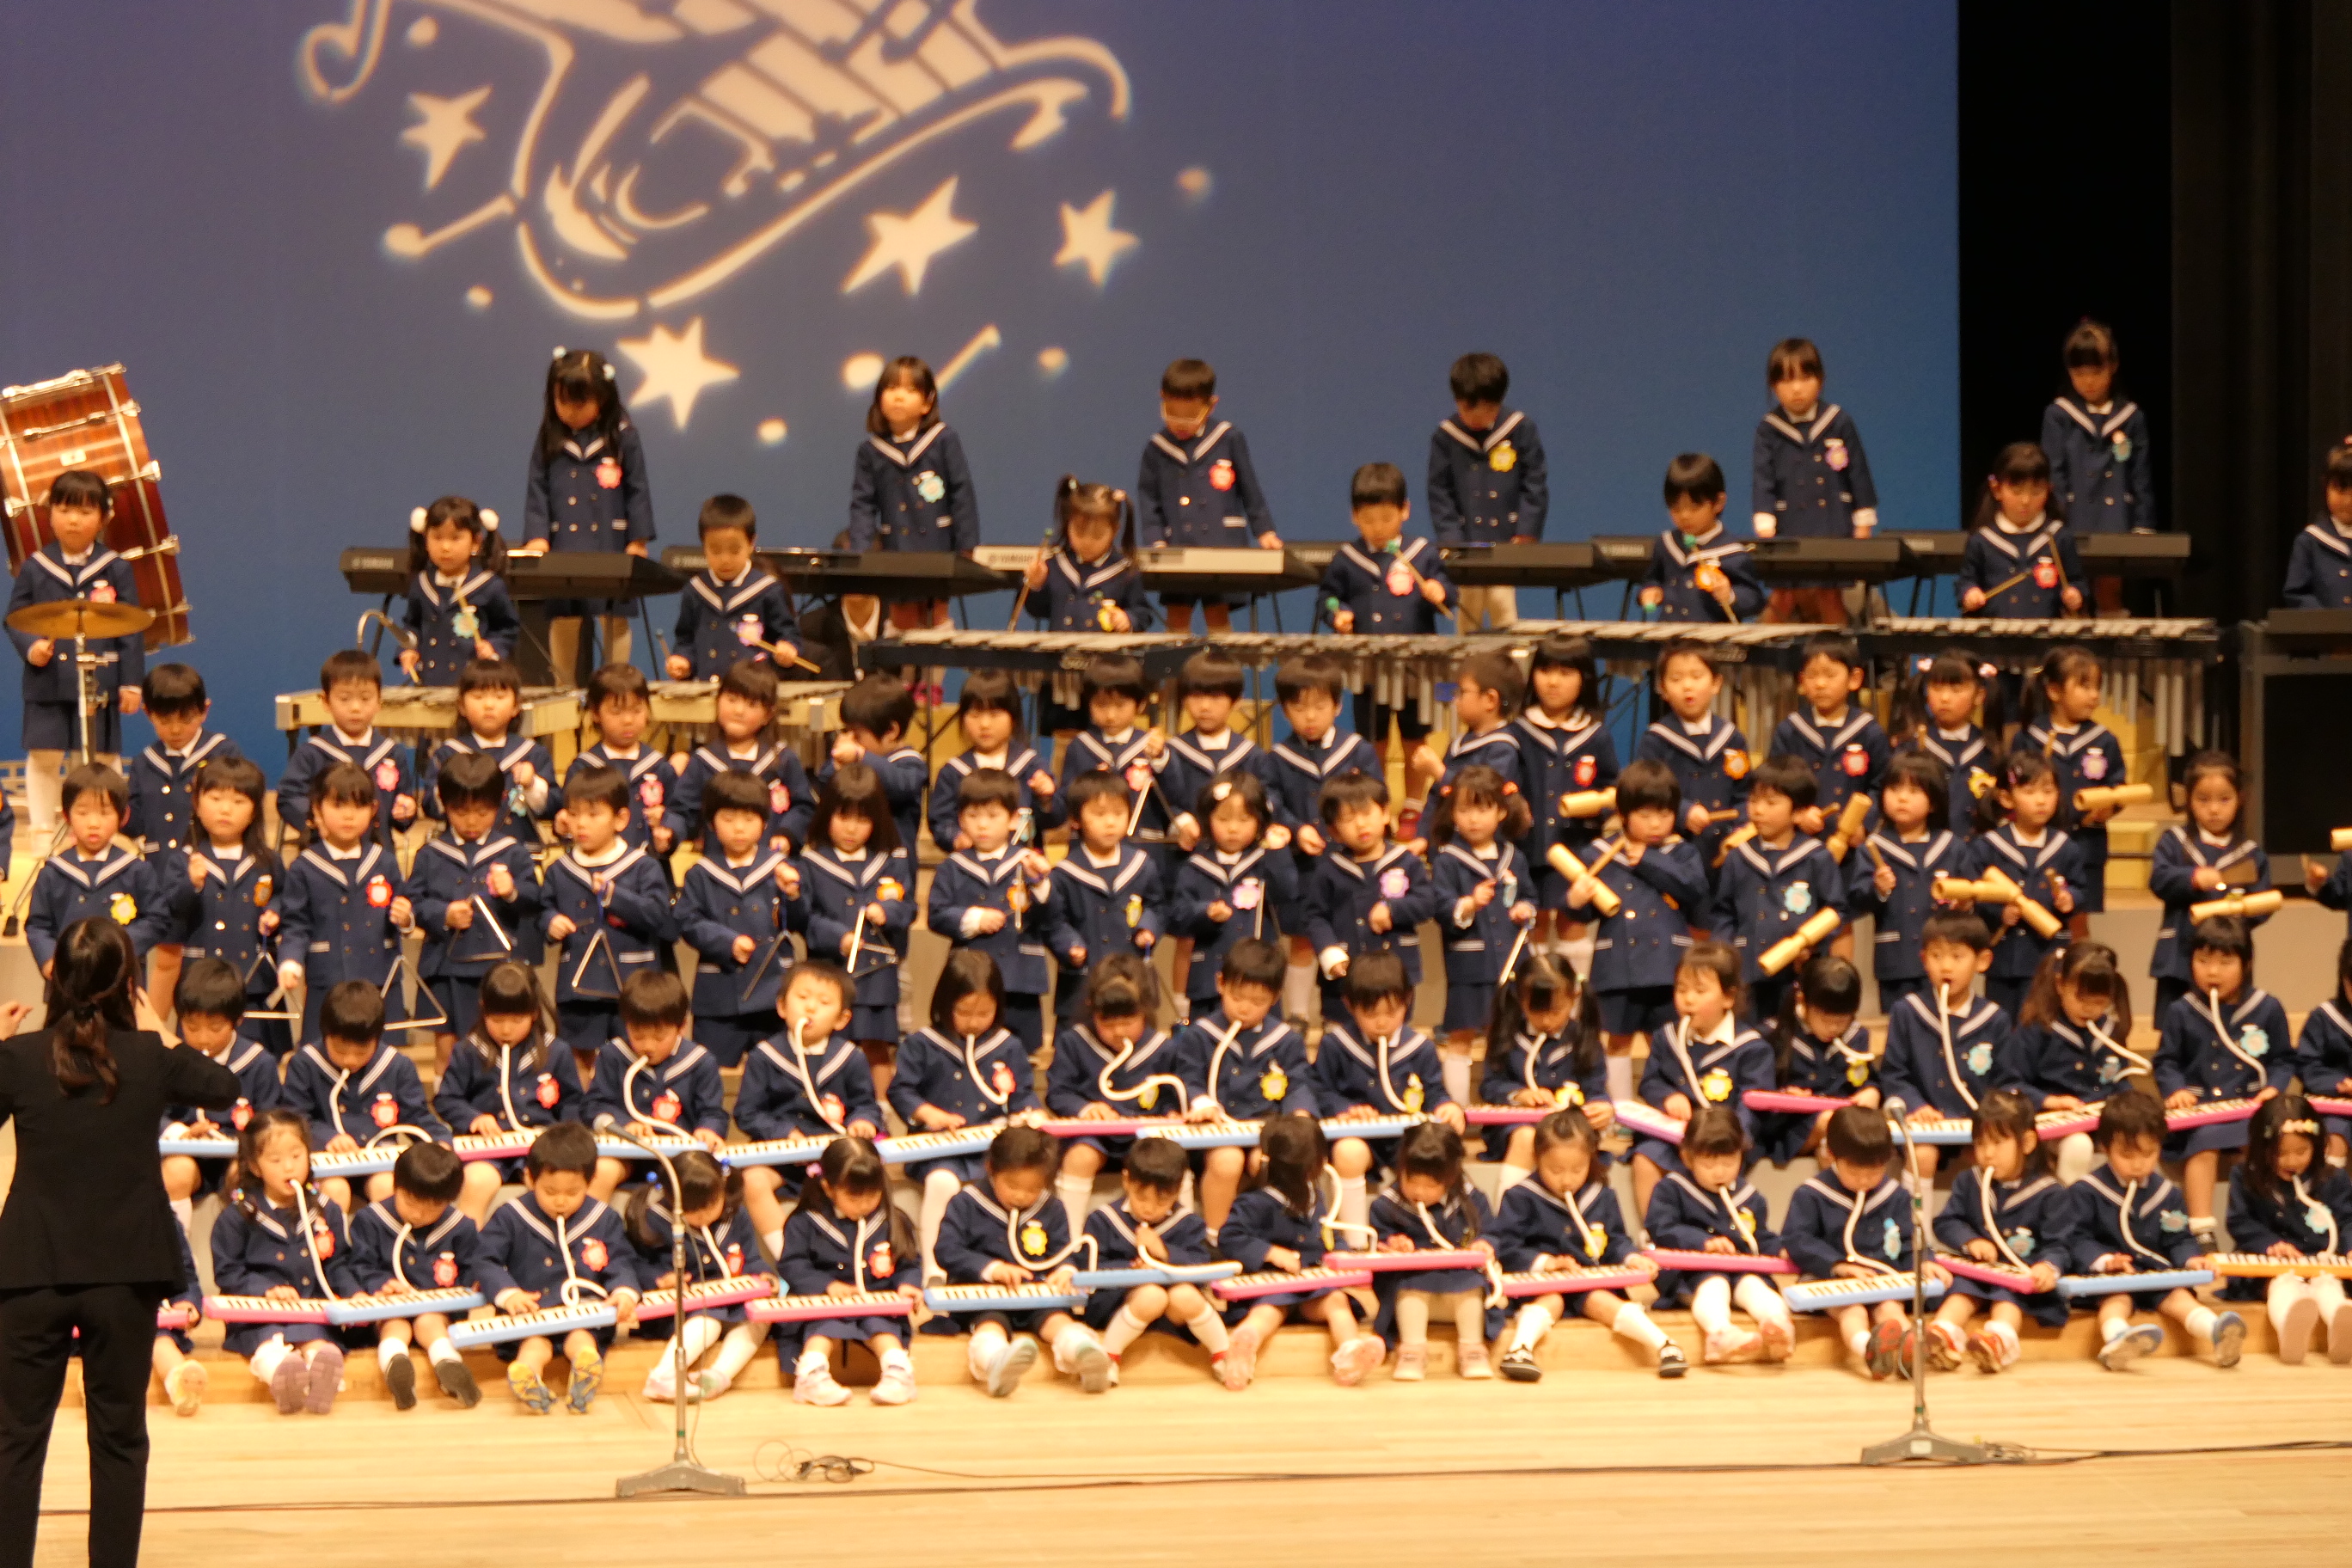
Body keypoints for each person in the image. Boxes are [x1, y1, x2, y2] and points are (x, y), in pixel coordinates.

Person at [0, 916, 240, 1565]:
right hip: (126, 1271)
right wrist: (160, 1030)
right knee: (119, 1439)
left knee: (15, 1440)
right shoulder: (148, 1056)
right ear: (128, 982)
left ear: (56, 978)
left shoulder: (19, 1057)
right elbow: (223, 1087)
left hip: (30, 1268)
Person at [1491, 1110, 1679, 1381]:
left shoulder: (1602, 1196)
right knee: (1552, 1300)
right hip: (1542, 1285)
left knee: (1600, 1299)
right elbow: (1507, 1247)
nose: (1567, 1179)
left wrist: (1631, 1258)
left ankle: (1664, 1345)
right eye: (1555, 1170)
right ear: (1537, 1159)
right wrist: (1546, 1263)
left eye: (1577, 1170)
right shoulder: (1521, 1197)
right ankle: (1519, 1349)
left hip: (1589, 1282)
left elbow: (1616, 1240)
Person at [1316, 462, 1455, 825]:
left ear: (1405, 511)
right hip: (1369, 668)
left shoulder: (1422, 552)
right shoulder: (1347, 558)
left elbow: (1448, 590)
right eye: (1368, 520)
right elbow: (1327, 598)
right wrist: (1338, 614)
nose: (1378, 528)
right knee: (1373, 741)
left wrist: (1439, 590)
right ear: (1354, 517)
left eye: (1386, 518)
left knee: (1414, 740)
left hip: (1415, 667)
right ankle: (1378, 803)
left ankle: (1413, 805)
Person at [8, 469, 144, 836]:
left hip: (100, 681)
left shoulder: (115, 567)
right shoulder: (35, 566)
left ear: (104, 517)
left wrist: (131, 682)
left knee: (101, 758)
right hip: (47, 681)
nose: (73, 520)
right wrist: (31, 647)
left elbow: (130, 627)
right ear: (50, 513)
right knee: (44, 755)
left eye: (85, 512)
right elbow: (15, 618)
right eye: (65, 509)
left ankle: (104, 831)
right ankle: (42, 832)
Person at [888, 951, 1041, 1279]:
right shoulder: (922, 1043)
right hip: (937, 1148)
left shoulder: (1008, 1046)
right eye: (964, 1012)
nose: (974, 1021)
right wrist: (928, 1113)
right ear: (945, 1004)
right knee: (942, 1181)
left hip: (990, 1149)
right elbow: (901, 1091)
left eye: (984, 1013)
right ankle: (934, 1267)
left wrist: (1030, 1115)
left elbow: (1023, 1094)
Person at [2065, 1091, 2243, 1370]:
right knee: (2116, 1300)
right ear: (2105, 1147)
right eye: (2127, 1155)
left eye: (2148, 1154)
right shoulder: (2086, 1191)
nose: (2138, 1164)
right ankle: (2117, 1339)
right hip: (2111, 1278)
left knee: (2179, 1297)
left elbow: (2178, 1238)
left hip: (2155, 1274)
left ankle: (2215, 1331)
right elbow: (2076, 1238)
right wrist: (2105, 1261)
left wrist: (2191, 1259)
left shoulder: (2168, 1193)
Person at [1568, 757, 1709, 1112]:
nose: (1656, 824)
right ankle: (1619, 1110)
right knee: (1617, 1041)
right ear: (1624, 814)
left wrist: (1647, 859)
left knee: (1670, 1040)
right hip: (1618, 965)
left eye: (1664, 814)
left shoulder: (1682, 852)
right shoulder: (1598, 853)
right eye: (1645, 815)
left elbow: (1694, 889)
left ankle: (1669, 1107)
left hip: (1668, 965)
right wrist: (1576, 900)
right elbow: (1583, 913)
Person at [476, 1122, 645, 1412]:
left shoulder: (603, 1218)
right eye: (550, 1191)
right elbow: (483, 1260)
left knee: (582, 1339)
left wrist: (623, 1291)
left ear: (590, 1182)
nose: (560, 1201)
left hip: (583, 1311)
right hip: (531, 1312)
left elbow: (621, 1260)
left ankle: (585, 1371)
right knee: (534, 1345)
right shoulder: (511, 1216)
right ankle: (528, 1376)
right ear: (530, 1179)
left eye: (572, 1192)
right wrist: (508, 1294)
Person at [934, 1125, 1112, 1397]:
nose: (1021, 1196)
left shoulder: (1052, 1207)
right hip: (984, 1297)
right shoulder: (966, 1203)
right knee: (990, 1325)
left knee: (1057, 1321)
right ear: (991, 1169)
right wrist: (992, 1269)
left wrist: (1065, 1269)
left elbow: (1065, 1250)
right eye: (1012, 1186)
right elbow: (946, 1250)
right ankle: (995, 1362)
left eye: (1033, 1189)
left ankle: (1084, 1355)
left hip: (1036, 1296)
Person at [1216, 1113, 1386, 1388]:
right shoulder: (1255, 1201)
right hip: (1269, 1288)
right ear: (1313, 1165)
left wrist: (1342, 1255)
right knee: (1268, 1310)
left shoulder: (1315, 1195)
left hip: (1311, 1287)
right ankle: (1242, 1350)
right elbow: (1230, 1238)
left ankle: (1351, 1353)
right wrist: (1270, 1252)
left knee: (1337, 1302)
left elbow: (1327, 1233)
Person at [210, 1107, 358, 1413]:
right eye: (275, 1160)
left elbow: (338, 1264)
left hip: (310, 1307)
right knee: (269, 1344)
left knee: (319, 1344)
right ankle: (282, 1376)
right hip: (258, 1312)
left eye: (297, 1156)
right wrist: (265, 1289)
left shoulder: (326, 1209)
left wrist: (354, 1294)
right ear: (255, 1167)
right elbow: (228, 1272)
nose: (289, 1167)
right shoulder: (239, 1215)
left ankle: (322, 1380)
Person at [518, 346, 653, 681]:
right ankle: (562, 686)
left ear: (603, 398)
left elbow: (637, 488)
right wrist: (537, 536)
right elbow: (537, 487)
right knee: (565, 617)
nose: (570, 412)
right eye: (562, 402)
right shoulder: (549, 436)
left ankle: (615, 681)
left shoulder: (623, 435)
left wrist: (637, 540)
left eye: (580, 404)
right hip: (564, 542)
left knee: (613, 617)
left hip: (609, 541)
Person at [1784, 1107, 1945, 1379]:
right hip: (1831, 1280)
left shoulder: (1895, 1196)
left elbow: (1910, 1240)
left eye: (1874, 1171)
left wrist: (1925, 1261)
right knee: (1852, 1311)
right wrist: (1838, 1265)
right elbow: (1797, 1239)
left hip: (1882, 1280)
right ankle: (1868, 1349)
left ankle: (1909, 1352)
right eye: (1855, 1171)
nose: (1864, 1180)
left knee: (1890, 1308)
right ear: (1831, 1155)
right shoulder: (1811, 1194)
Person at [407, 750, 544, 1069]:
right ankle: (446, 1101)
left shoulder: (512, 852)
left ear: (499, 804)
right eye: (461, 811)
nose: (471, 821)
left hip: (498, 968)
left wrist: (511, 892)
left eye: (482, 812)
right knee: (447, 1051)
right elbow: (413, 902)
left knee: (495, 1052)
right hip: (445, 967)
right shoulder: (430, 853)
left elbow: (534, 899)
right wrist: (443, 914)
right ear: (444, 804)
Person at [2156, 916, 2292, 1236]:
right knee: (2204, 1143)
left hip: (2250, 1109)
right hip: (2199, 1113)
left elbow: (2283, 1059)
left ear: (2246, 963)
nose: (2212, 972)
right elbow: (2166, 1061)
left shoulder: (2267, 1008)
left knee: (2260, 1146)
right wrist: (2176, 1090)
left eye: (2225, 962)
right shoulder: (2181, 1010)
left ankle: (2263, 1228)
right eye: (2203, 961)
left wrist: (2273, 1088)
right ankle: (2201, 1230)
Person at [1314, 952, 1466, 1236]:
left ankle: (1430, 1235)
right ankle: (1356, 1240)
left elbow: (1434, 1091)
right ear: (1349, 1005)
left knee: (1435, 1153)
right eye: (1371, 1014)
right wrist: (1345, 1109)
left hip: (1406, 1141)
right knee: (1348, 1153)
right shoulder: (1336, 1045)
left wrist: (1448, 1106)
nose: (1382, 1023)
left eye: (1392, 1012)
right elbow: (1319, 1090)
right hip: (1360, 1140)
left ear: (1407, 1001)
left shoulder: (1420, 1048)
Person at [736, 963, 884, 1252]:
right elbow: (747, 1113)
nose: (811, 1008)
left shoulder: (850, 1057)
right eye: (802, 998)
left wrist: (863, 1121)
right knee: (753, 1180)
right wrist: (783, 1132)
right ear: (782, 1007)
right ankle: (786, 1256)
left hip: (834, 1159)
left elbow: (866, 1104)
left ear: (842, 1019)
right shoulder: (764, 1056)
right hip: (780, 1160)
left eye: (824, 1002)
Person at [1264, 653, 1377, 1023]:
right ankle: (1297, 1016)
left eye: (1319, 707)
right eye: (1298, 708)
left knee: (1349, 937)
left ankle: (1348, 1014)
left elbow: (1375, 799)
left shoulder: (1357, 751)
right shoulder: (1278, 758)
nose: (1309, 717)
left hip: (1351, 861)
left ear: (1338, 706)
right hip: (1304, 866)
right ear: (1284, 711)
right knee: (1303, 939)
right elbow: (1270, 802)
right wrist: (1298, 829)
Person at [1173, 938, 1316, 1232]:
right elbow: (1188, 1077)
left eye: (1257, 1002)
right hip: (1215, 1135)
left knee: (1269, 1161)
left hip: (1266, 1131)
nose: (1245, 1009)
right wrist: (1201, 1102)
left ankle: (1270, 1235)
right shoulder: (1200, 1035)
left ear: (1275, 998)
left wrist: (1299, 1113)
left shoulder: (1286, 1040)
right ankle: (1216, 1238)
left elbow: (1299, 1082)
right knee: (1227, 1161)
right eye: (1237, 997)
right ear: (1220, 984)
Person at [788, 764, 915, 1086]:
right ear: (827, 815)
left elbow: (908, 907)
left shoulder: (891, 859)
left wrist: (888, 912)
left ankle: (881, 1107)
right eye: (843, 817)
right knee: (829, 1044)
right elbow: (804, 919)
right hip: (830, 970)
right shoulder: (812, 861)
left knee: (876, 1046)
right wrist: (838, 938)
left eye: (863, 819)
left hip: (877, 974)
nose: (851, 828)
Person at [1133, 357, 1277, 635]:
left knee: (1217, 612)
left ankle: (1221, 665)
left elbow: (1250, 489)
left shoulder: (1228, 438)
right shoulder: (1156, 449)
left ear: (1211, 405)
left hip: (1221, 542)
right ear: (1161, 398)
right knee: (1177, 614)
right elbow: (1148, 500)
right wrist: (1155, 539)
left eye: (1190, 415)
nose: (1180, 423)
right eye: (1172, 413)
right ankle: (1174, 665)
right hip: (1177, 545)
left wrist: (1265, 531)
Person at [1928, 1089, 2069, 1375]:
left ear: (2026, 1142)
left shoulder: (2050, 1192)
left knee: (2009, 1297)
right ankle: (1943, 1334)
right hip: (1979, 1272)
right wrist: (1970, 1241)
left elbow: (2061, 1243)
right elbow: (1946, 1222)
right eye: (1981, 1143)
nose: (1987, 1153)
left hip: (2020, 1277)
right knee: (1962, 1290)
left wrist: (2047, 1266)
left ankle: (1999, 1340)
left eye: (1997, 1142)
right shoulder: (1969, 1181)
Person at [1626, 943, 1770, 1220]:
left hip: (1724, 1142)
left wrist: (1734, 1138)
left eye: (1700, 991)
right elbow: (1650, 1081)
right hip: (1676, 1138)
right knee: (1645, 1158)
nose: (1688, 1000)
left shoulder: (1750, 1047)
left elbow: (1753, 1103)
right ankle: (1653, 1233)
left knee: (1712, 1167)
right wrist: (1668, 1097)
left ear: (1728, 997)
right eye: (1681, 990)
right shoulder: (1666, 1037)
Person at [432, 960, 584, 1223]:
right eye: (497, 1020)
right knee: (477, 1181)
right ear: (483, 1010)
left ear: (534, 1014)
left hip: (541, 1150)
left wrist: (563, 1137)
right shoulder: (468, 1050)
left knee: (552, 1186)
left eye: (516, 1020)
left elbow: (573, 1103)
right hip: (488, 1150)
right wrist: (473, 1118)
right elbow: (446, 1098)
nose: (506, 1030)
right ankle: (466, 1246)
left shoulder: (556, 1051)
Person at [1642, 1105, 1794, 1364]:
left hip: (1740, 1271)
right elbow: (1662, 1229)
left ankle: (1777, 1326)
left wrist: (1780, 1248)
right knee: (1715, 1285)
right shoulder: (1672, 1189)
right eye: (1709, 1164)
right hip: (1691, 1275)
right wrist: (1703, 1242)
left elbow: (1757, 1237)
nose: (1720, 1172)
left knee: (1757, 1288)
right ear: (1688, 1158)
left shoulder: (1750, 1197)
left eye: (1729, 1162)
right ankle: (1719, 1334)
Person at [273, 762, 413, 1041]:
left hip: (380, 977)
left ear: (373, 810)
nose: (349, 815)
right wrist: (290, 961)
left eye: (359, 806)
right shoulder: (304, 867)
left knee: (382, 1054)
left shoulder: (384, 861)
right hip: (328, 979)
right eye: (338, 806)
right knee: (324, 1051)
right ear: (317, 810)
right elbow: (295, 924)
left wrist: (406, 918)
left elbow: (404, 909)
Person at [541, 764, 676, 1056]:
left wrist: (615, 896)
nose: (581, 824)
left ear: (621, 819)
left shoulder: (643, 866)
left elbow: (658, 916)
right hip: (578, 984)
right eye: (573, 814)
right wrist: (550, 922)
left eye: (593, 815)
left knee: (634, 1054)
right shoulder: (559, 870)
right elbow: (543, 910)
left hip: (633, 984)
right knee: (579, 1056)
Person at [777, 1137, 922, 1406]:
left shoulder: (894, 1220)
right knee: (823, 1327)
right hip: (824, 1302)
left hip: (875, 1301)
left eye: (873, 1194)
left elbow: (910, 1262)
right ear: (828, 1188)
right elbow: (792, 1264)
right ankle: (811, 1376)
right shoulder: (804, 1222)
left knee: (882, 1326)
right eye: (855, 1197)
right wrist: (827, 1285)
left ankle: (898, 1373)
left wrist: (908, 1284)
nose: (865, 1204)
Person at [156, 756, 286, 1056]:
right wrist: (192, 884)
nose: (225, 809)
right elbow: (169, 913)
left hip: (254, 983)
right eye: (215, 799)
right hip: (200, 985)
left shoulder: (267, 861)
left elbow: (284, 898)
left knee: (256, 1060)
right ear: (197, 804)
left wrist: (276, 912)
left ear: (254, 810)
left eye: (238, 802)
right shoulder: (183, 860)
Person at [1080, 1137, 1234, 1387]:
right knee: (1152, 1295)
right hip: (1117, 1305)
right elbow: (1089, 1267)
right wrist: (1132, 1270)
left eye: (1162, 1201)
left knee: (1185, 1295)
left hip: (1174, 1313)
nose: (1150, 1209)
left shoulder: (1188, 1223)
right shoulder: (1103, 1220)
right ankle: (1108, 1358)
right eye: (1142, 1197)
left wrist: (1164, 1252)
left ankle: (1224, 1355)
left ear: (1177, 1190)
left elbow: (1201, 1264)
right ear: (1126, 1180)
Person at [279, 980, 446, 1210]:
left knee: (386, 1186)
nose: (350, 1060)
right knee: (335, 1190)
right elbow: (293, 1118)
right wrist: (328, 1138)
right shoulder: (305, 1063)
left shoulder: (397, 1066)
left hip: (379, 1161)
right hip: (325, 1164)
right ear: (325, 1034)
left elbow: (417, 1117)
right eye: (340, 1050)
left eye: (361, 1052)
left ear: (377, 1039)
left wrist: (440, 1142)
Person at [622, 1149, 774, 1402]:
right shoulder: (654, 1219)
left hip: (732, 1301)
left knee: (760, 1315)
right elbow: (637, 1265)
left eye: (710, 1206)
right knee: (709, 1319)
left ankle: (718, 1376)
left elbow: (752, 1258)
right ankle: (663, 1377)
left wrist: (764, 1276)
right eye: (692, 1210)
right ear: (671, 1198)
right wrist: (661, 1279)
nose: (703, 1215)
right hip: (681, 1311)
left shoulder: (736, 1214)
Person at [1044, 955, 1182, 1230]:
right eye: (1107, 1023)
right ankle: (1068, 1238)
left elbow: (1172, 1095)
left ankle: (1179, 1235)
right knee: (1080, 1158)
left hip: (1146, 1137)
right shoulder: (1074, 1042)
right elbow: (1058, 1092)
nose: (1118, 1032)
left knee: (1172, 1158)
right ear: (1092, 1009)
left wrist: (1172, 1113)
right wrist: (1085, 1108)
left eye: (1128, 1021)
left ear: (1145, 1009)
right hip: (1093, 1136)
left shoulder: (1163, 1048)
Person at [848, 354, 977, 647]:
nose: (899, 396)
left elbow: (961, 493)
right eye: (891, 388)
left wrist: (967, 546)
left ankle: (935, 673)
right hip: (897, 548)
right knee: (902, 616)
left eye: (910, 390)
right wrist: (860, 553)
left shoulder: (943, 440)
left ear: (927, 403)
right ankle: (905, 674)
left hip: (937, 545)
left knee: (937, 617)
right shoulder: (871, 451)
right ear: (879, 399)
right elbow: (863, 504)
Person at [926, 771, 1055, 1061]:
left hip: (1020, 974)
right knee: (970, 1049)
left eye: (993, 816)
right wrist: (973, 918)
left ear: (1013, 819)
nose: (982, 825)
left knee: (1022, 1054)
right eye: (973, 816)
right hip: (971, 977)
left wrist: (1041, 883)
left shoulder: (1028, 862)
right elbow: (936, 914)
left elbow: (1050, 916)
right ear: (960, 820)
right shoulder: (953, 866)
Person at [346, 1141, 483, 1409]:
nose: (419, 1214)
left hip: (437, 1309)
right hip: (390, 1306)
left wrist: (471, 1285)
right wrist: (382, 1285)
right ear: (396, 1187)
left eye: (433, 1207)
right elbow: (360, 1265)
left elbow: (472, 1268)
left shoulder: (461, 1227)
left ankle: (448, 1364)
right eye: (411, 1202)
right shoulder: (371, 1220)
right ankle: (396, 1366)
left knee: (429, 1323)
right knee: (394, 1324)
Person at [1428, 763, 1535, 1102]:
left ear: (1501, 812)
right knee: (1460, 1035)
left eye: (1483, 809)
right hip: (1469, 965)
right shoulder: (1448, 860)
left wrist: (1525, 909)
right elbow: (1441, 907)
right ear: (1452, 814)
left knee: (1504, 1034)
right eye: (1464, 810)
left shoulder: (1514, 857)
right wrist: (1469, 904)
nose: (1473, 819)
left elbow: (1530, 896)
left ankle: (1501, 1101)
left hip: (1512, 961)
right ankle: (1456, 1110)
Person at [676, 769, 797, 1069]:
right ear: (712, 823)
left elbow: (800, 922)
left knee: (778, 1074)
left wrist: (794, 894)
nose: (738, 828)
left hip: (773, 991)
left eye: (749, 819)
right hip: (719, 995)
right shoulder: (700, 873)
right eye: (728, 819)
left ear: (765, 823)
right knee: (710, 1074)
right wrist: (727, 943)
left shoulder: (780, 869)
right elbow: (687, 922)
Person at [1750, 339, 1877, 623]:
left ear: (1820, 379)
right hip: (1788, 526)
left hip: (1832, 523)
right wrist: (1764, 520)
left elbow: (1858, 473)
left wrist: (1863, 521)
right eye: (1786, 380)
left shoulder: (1838, 421)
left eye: (1805, 378)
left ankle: (1840, 650)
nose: (1796, 388)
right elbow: (1763, 478)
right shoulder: (1769, 429)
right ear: (1773, 385)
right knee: (1783, 595)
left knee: (1829, 594)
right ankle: (1761, 652)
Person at [1712, 754, 1845, 1024]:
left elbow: (1835, 910)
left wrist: (1812, 948)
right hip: (1748, 971)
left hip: (1798, 972)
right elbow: (1724, 913)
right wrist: (1725, 955)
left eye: (1771, 803)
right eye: (1753, 800)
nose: (1758, 810)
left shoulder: (1816, 857)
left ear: (1798, 811)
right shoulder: (1739, 857)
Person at [1016, 478, 1153, 732]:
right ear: (1067, 524)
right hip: (1061, 667)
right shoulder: (1055, 564)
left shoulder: (1125, 571)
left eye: (1097, 535)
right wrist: (1035, 585)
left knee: (1104, 733)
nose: (1087, 541)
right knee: (1064, 735)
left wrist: (1128, 619)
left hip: (1106, 671)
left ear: (1115, 530)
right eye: (1079, 532)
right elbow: (1037, 610)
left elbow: (1143, 613)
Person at [1878, 910, 2006, 1180]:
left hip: (1975, 1125)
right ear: (1924, 960)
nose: (1946, 967)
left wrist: (1986, 1116)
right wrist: (1916, 1106)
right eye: (1936, 956)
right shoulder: (1908, 1011)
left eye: (1957, 957)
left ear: (1982, 961)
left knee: (1992, 1156)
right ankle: (1916, 1211)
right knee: (1923, 1155)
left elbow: (2005, 1081)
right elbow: (1894, 1074)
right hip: (1924, 1124)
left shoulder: (1995, 1019)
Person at [1304, 772, 1440, 1025]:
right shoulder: (1328, 869)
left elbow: (1427, 902)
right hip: (1345, 974)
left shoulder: (1406, 861)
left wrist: (1393, 910)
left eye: (1367, 813)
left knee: (1394, 1033)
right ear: (1334, 831)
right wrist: (1329, 951)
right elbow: (1315, 916)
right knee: (1342, 1036)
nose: (1360, 825)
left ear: (1385, 813)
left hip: (1396, 972)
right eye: (1348, 818)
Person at [156, 959, 283, 1230]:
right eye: (191, 1027)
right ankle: (179, 1252)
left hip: (238, 1157)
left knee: (244, 1176)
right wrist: (180, 1132)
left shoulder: (259, 1062)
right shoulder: (168, 1061)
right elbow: (151, 1113)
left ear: (237, 1020)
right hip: (187, 1156)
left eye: (215, 1028)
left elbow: (270, 1123)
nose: (203, 1038)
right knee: (176, 1172)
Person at [2224, 1095, 2352, 1363]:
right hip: (2271, 1262)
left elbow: (2348, 1219)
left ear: (2316, 1145)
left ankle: (2341, 1323)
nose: (2291, 1161)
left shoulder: (2333, 1178)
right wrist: (2270, 1244)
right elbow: (2239, 1221)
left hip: (2322, 1260)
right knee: (2282, 1284)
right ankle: (2288, 1329)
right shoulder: (2245, 1176)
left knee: (2327, 1283)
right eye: (2279, 1154)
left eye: (2301, 1152)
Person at [1368, 1123, 1499, 1381]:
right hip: (1411, 1295)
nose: (1419, 1192)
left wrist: (1485, 1244)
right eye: (1412, 1181)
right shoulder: (1387, 1206)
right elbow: (1377, 1245)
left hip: (1459, 1293)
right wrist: (1392, 1245)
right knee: (1408, 1287)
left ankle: (1473, 1350)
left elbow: (1492, 1232)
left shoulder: (1471, 1201)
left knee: (1473, 1283)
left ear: (1451, 1178)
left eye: (1430, 1185)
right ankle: (1412, 1351)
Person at [581, 971, 727, 1200]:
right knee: (602, 1171)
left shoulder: (701, 1062)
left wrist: (708, 1130)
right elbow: (594, 1106)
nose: (648, 1046)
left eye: (659, 1038)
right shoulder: (613, 1055)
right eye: (638, 1036)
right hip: (626, 1155)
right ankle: (594, 1223)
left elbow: (713, 1112)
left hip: (681, 1158)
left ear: (681, 1027)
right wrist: (624, 1125)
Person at [1428, 351, 1547, 629]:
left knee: (1503, 607)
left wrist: (1526, 531)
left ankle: (1509, 657)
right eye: (1467, 409)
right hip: (1465, 541)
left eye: (1485, 411)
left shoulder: (1520, 429)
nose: (1475, 418)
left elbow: (1535, 483)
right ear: (1457, 401)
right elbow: (1439, 491)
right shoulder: (1446, 436)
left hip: (1506, 540)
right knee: (1468, 609)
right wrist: (1451, 538)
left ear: (1498, 402)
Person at [1168, 774, 1296, 1032]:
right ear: (1208, 819)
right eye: (1223, 819)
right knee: (1207, 1039)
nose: (1233, 829)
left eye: (1244, 820)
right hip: (1209, 978)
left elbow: (1287, 892)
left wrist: (1278, 852)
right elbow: (1177, 916)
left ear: (1259, 821)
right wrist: (1205, 912)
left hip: (1258, 976)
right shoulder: (1195, 866)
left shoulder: (1264, 860)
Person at [2002, 940, 2137, 1184]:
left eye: (2099, 1002)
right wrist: (2051, 1101)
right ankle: (2068, 1204)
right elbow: (2009, 1083)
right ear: (2060, 985)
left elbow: (2120, 1080)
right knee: (2079, 1145)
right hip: (2053, 1126)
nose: (2089, 1009)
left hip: (2103, 1122)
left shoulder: (2111, 1031)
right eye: (2081, 999)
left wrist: (2130, 1103)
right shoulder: (2038, 1028)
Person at [2042, 319, 2153, 614]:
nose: (2088, 381)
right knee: (2072, 598)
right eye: (2080, 373)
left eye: (2096, 372)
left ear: (2113, 366)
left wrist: (2143, 525)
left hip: (2115, 520)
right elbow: (2054, 474)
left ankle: (2113, 645)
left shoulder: (2131, 417)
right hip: (2072, 518)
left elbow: (2140, 477)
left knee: (2109, 593)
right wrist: (2055, 521)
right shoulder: (2059, 415)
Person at [2148, 750, 2268, 1019]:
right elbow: (2158, 880)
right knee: (2175, 1024)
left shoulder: (2249, 854)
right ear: (2189, 800)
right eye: (2203, 799)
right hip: (2180, 953)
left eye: (2224, 799)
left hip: (2229, 954)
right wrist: (2192, 878)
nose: (2214, 809)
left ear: (2240, 799)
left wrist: (2238, 908)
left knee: (2227, 1021)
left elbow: (2262, 903)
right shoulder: (2175, 842)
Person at [1044, 773, 1165, 1036]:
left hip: (1133, 978)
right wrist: (1070, 945)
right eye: (1099, 815)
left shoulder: (1142, 865)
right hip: (1082, 982)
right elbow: (1054, 921)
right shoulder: (1064, 873)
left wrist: (1148, 927)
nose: (1110, 822)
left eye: (1118, 813)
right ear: (1076, 820)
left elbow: (1157, 906)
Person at [2016, 644, 2126, 928]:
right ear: (2054, 691)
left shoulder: (2104, 740)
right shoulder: (2029, 737)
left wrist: (2109, 807)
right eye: (2084, 686)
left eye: (2097, 687)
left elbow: (2118, 787)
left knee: (2079, 924)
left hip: (2086, 847)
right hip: (2037, 845)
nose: (2094, 695)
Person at [1845, 753, 1963, 1012]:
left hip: (1944, 957)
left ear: (1934, 803)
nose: (1902, 798)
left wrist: (1963, 903)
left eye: (1914, 791)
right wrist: (1878, 889)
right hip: (1896, 958)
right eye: (1894, 789)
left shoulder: (1952, 847)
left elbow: (1969, 895)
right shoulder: (1874, 847)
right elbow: (1856, 900)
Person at [1967, 753, 2083, 1015]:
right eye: (2030, 792)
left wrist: (2070, 899)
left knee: (2044, 1019)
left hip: (2048, 953)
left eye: (2048, 791)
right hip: (2005, 954)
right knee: (2002, 1020)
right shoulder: (1989, 846)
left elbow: (2079, 887)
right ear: (2007, 798)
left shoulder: (2065, 847)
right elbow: (1977, 895)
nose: (2041, 800)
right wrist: (2000, 913)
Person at [1479, 951, 1610, 1183]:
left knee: (1570, 1143)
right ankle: (1510, 1203)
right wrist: (1519, 1095)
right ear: (1521, 1001)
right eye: (1536, 1011)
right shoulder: (1506, 1036)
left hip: (1569, 1126)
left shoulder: (1584, 1039)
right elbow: (1490, 1085)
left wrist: (1602, 1107)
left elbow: (1595, 1088)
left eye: (1556, 1011)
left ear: (1574, 997)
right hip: (1515, 1127)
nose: (1547, 1021)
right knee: (1527, 1137)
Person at [28, 764, 169, 977]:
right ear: (66, 815)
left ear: (123, 817)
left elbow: (157, 919)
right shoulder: (53, 872)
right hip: (68, 977)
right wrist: (49, 961)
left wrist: (119, 948)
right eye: (83, 813)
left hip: (121, 975)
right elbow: (38, 925)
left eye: (104, 813)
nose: (93, 823)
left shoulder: (136, 870)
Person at [275, 648, 418, 851]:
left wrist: (406, 811)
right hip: (326, 852)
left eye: (365, 698)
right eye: (344, 699)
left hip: (378, 855)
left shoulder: (391, 753)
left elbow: (402, 808)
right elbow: (288, 797)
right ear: (326, 702)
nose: (355, 708)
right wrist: (317, 819)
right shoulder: (313, 752)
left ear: (379, 702)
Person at [671, 658, 816, 856]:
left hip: (771, 863)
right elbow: (683, 811)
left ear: (768, 714)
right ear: (717, 701)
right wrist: (670, 831)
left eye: (752, 704)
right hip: (718, 862)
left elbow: (804, 807)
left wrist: (787, 834)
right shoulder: (702, 762)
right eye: (731, 700)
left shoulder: (783, 760)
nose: (738, 711)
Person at [1633, 641, 1750, 877]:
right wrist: (1683, 812)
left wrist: (1742, 828)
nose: (1687, 686)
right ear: (1663, 689)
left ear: (1716, 683)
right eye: (1676, 679)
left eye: (1697, 677)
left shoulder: (1731, 737)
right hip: (1674, 854)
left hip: (1727, 851)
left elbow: (1746, 795)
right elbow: (1646, 795)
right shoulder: (1656, 740)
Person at [668, 493, 802, 683]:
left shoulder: (767, 589)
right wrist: (683, 660)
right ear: (703, 546)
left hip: (753, 688)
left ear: (751, 543)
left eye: (734, 550)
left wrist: (787, 648)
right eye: (715, 550)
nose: (725, 559)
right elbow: (685, 639)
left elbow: (788, 634)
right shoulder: (695, 590)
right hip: (707, 685)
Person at [927, 666, 1061, 855]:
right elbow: (940, 821)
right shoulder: (954, 772)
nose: (984, 724)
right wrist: (956, 837)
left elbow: (1054, 820)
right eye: (975, 715)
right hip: (972, 862)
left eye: (994, 714)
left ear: (1013, 717)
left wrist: (1046, 798)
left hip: (1021, 862)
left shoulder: (1031, 766)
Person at [1757, 952, 1876, 1165]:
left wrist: (1871, 1092)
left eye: (1842, 1021)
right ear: (1802, 1001)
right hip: (1792, 1127)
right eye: (1826, 1020)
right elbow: (1758, 1093)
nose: (1834, 1028)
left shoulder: (1857, 1036)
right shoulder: (1773, 1034)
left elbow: (1868, 1079)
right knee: (1832, 1124)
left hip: (1845, 1122)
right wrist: (1785, 1098)